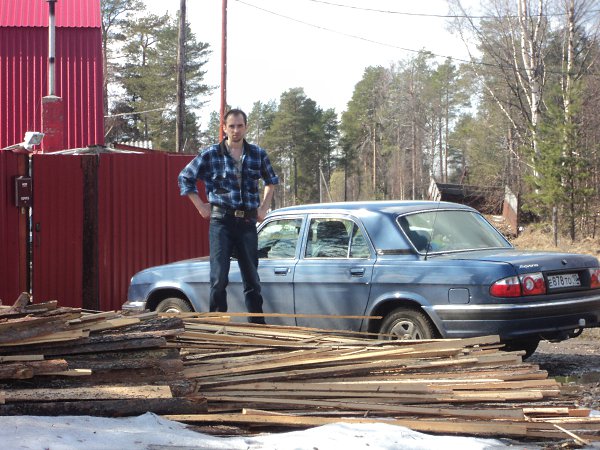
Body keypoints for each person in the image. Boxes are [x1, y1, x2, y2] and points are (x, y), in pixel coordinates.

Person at [178, 109, 279, 324]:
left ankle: (258, 328)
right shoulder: (211, 154)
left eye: (240, 125)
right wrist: (200, 207)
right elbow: (185, 177)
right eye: (231, 126)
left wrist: (263, 208)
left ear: (246, 127)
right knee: (219, 278)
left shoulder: (257, 154)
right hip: (221, 221)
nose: (235, 130)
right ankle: (218, 326)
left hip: (247, 222)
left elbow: (271, 181)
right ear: (224, 128)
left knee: (252, 278)